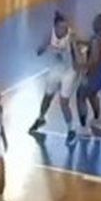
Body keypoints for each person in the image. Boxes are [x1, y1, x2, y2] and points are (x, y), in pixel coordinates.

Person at [29, 12, 82, 145]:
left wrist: (75, 46)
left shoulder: (71, 37)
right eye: (61, 27)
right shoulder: (50, 34)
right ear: (55, 27)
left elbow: (78, 59)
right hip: (56, 69)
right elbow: (39, 51)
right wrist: (43, 48)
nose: (64, 29)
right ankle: (41, 118)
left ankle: (71, 130)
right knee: (47, 97)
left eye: (66, 27)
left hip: (69, 71)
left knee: (63, 102)